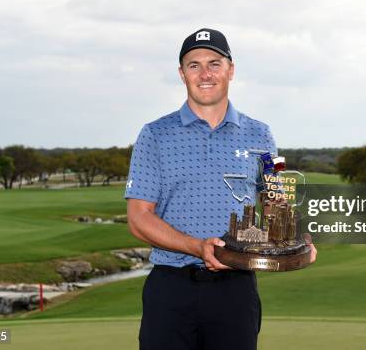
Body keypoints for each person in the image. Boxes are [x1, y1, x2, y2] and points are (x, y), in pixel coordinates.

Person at [125, 28, 316, 350]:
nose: (205, 74)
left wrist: (296, 240)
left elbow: (276, 199)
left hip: (235, 289)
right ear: (181, 73)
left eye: (214, 63)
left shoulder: (262, 134)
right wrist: (198, 247)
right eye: (194, 64)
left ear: (231, 70)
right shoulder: (154, 135)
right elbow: (138, 218)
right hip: (171, 287)